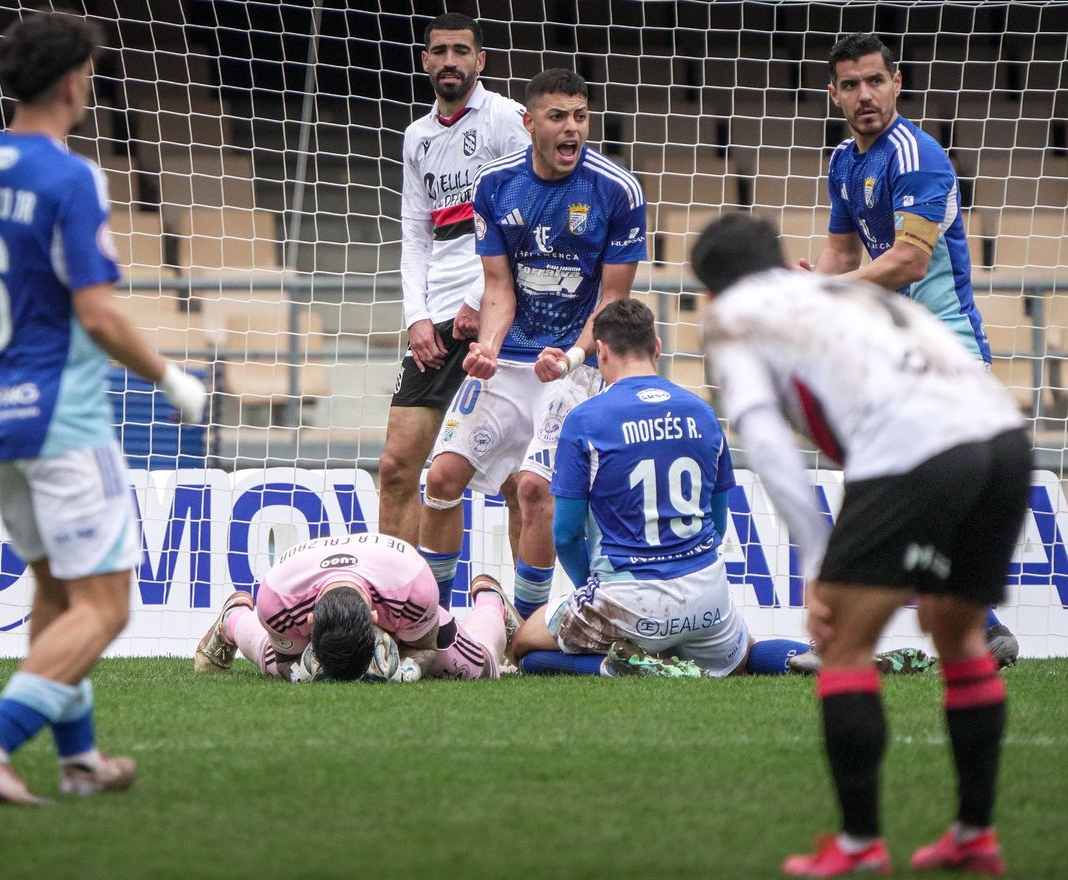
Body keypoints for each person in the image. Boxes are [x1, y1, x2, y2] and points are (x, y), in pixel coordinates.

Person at [0, 12, 208, 805]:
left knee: (58, 594)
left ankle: (79, 761)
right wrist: (171, 379)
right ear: (76, 79)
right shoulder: (69, 177)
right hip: (63, 419)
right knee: (107, 609)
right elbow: (100, 314)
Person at [692, 213, 1031, 876]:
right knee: (955, 633)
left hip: (915, 449)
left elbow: (763, 440)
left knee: (843, 643)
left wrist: (818, 560)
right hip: (1003, 439)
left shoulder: (735, 315)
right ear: (786, 262)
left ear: (711, 292)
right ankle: (974, 832)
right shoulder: (851, 291)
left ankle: (859, 844)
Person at [508, 298, 932, 680]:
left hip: (626, 600)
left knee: (525, 646)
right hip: (706, 596)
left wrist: (590, 588)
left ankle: (621, 666)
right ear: (657, 345)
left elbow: (564, 533)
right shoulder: (703, 414)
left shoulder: (585, 419)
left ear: (600, 352)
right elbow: (718, 520)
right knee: (744, 654)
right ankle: (834, 657)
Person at [808, 32, 1019, 667]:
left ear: (897, 83)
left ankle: (855, 633)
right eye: (850, 85)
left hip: (948, 351)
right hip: (897, 352)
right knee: (881, 484)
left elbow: (907, 260)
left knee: (895, 490)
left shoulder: (919, 156)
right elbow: (842, 253)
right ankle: (980, 628)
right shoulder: (844, 162)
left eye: (874, 80)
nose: (864, 95)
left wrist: (826, 293)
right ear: (834, 94)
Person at [417, 68, 646, 623]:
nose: (573, 129)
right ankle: (431, 625)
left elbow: (612, 304)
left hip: (573, 366)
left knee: (534, 489)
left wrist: (569, 358)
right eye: (558, 117)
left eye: (581, 117)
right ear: (529, 122)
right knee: (441, 480)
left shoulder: (617, 190)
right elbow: (498, 287)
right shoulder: (496, 184)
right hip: (510, 360)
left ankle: (524, 629)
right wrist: (488, 349)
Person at [381, 12, 530, 555]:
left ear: (480, 60)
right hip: (436, 322)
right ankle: (392, 615)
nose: (450, 61)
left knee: (517, 480)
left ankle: (520, 622)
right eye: (439, 51)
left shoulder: (507, 119)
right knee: (398, 467)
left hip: (498, 315)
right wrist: (416, 317)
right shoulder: (416, 137)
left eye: (461, 51)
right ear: (425, 60)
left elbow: (526, 215)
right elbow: (415, 235)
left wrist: (477, 302)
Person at [192, 532, 519, 681]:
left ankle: (491, 599)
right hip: (311, 595)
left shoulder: (413, 584)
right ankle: (233, 618)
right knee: (271, 663)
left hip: (402, 610)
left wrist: (409, 669)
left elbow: (422, 646)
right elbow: (287, 658)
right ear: (308, 621)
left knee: (480, 669)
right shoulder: (276, 599)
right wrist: (296, 671)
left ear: (377, 618)